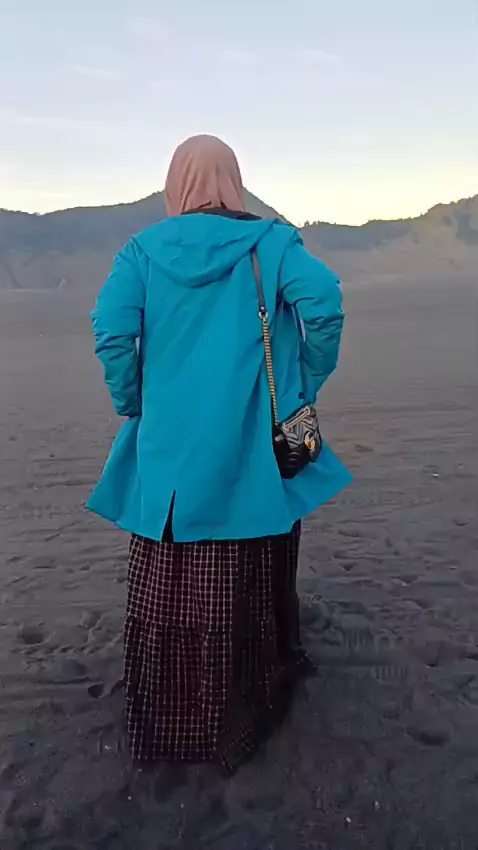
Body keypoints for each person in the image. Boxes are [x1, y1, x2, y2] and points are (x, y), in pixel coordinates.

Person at [87, 134, 352, 774]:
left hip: (171, 446)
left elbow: (112, 332)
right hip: (256, 442)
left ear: (175, 183)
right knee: (258, 550)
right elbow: (325, 306)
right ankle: (250, 700)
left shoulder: (142, 251)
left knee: (170, 569)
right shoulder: (272, 243)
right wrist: (303, 384)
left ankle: (170, 712)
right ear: (234, 180)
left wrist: (133, 400)